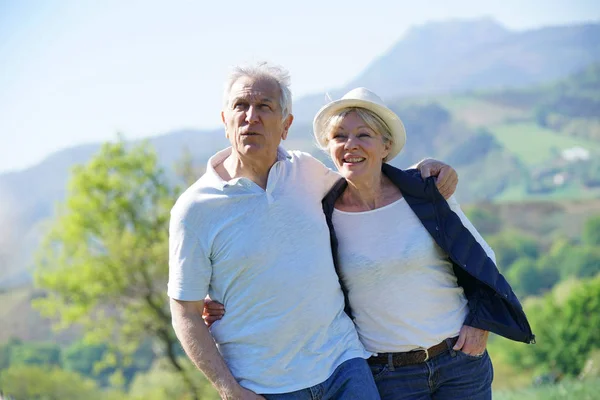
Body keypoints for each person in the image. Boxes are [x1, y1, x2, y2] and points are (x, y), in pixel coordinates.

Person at [205, 87, 535, 400]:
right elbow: (278, 249)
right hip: (389, 376)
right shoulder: (322, 209)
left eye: (363, 135)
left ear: (385, 146)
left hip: (460, 362)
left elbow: (479, 257)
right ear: (329, 147)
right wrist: (223, 292)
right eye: (339, 136)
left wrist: (480, 325)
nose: (351, 144)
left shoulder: (422, 194)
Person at [168, 63, 458, 400]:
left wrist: (423, 172)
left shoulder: (305, 170)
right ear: (224, 120)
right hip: (264, 387)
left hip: (344, 366)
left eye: (265, 106)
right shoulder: (195, 208)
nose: (251, 117)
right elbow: (185, 312)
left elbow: (367, 185)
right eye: (240, 106)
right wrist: (229, 390)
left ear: (286, 124)